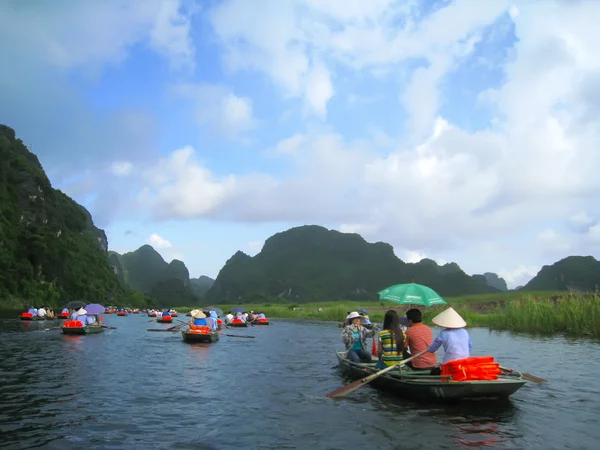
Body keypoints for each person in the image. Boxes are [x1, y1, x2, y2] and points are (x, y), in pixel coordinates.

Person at [426, 307, 472, 374]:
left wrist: (429, 349)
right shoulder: (465, 332)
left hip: (450, 364)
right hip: (465, 363)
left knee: (433, 371)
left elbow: (432, 349)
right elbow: (470, 347)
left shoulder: (443, 333)